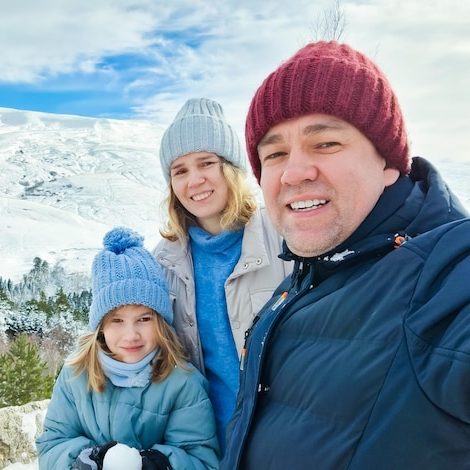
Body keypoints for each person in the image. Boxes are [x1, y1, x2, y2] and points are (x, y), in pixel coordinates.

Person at [221, 40, 470, 469]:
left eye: (327, 143)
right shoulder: (302, 280)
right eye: (275, 154)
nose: (295, 172)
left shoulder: (446, 282)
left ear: (389, 163)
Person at [153, 97, 291, 451]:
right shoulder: (165, 262)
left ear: (230, 168)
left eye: (206, 163)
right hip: (208, 446)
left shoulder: (282, 238)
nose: (194, 180)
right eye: (180, 170)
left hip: (281, 442)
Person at [36, 226, 220, 470]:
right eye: (117, 321)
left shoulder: (182, 384)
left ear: (161, 321)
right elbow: (53, 444)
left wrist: (157, 464)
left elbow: (201, 460)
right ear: (100, 326)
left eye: (144, 319)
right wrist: (83, 460)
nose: (131, 335)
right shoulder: (75, 374)